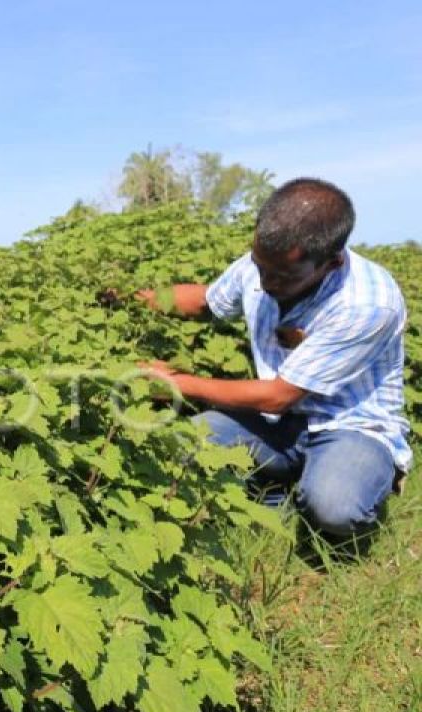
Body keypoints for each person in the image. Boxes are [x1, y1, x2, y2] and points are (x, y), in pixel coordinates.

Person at [135, 177, 411, 537]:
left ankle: (361, 478)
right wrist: (139, 299)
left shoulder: (367, 303)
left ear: (330, 264)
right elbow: (206, 301)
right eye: (259, 265)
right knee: (186, 442)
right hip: (278, 426)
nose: (265, 281)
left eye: (281, 276)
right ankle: (279, 491)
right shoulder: (266, 261)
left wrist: (179, 384)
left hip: (350, 425)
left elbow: (278, 396)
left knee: (335, 508)